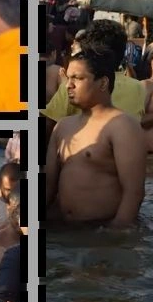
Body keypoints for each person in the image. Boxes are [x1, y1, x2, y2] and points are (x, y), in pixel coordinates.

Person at [46, 49, 146, 227]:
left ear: (103, 83)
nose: (69, 85)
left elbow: (134, 193)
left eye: (78, 78)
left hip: (102, 232)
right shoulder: (62, 127)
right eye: (68, 78)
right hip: (65, 232)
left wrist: (115, 234)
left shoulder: (122, 126)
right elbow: (47, 188)